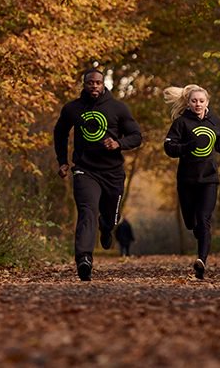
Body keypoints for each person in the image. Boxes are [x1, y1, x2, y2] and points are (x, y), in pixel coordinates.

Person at [54, 68, 142, 281]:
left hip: (113, 172)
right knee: (87, 211)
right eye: (90, 83)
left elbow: (136, 136)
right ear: (84, 85)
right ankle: (84, 258)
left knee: (111, 217)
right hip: (85, 169)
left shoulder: (118, 108)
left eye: (98, 83)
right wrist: (63, 161)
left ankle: (107, 228)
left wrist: (118, 143)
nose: (94, 86)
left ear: (104, 85)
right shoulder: (72, 108)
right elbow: (60, 133)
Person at [163, 84, 220, 280]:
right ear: (188, 104)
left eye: (201, 101)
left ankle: (201, 261)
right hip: (187, 180)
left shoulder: (214, 120)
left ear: (207, 102)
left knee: (204, 220)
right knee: (192, 223)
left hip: (209, 179)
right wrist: (188, 146)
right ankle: (198, 234)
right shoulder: (181, 123)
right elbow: (170, 148)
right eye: (194, 101)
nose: (198, 104)